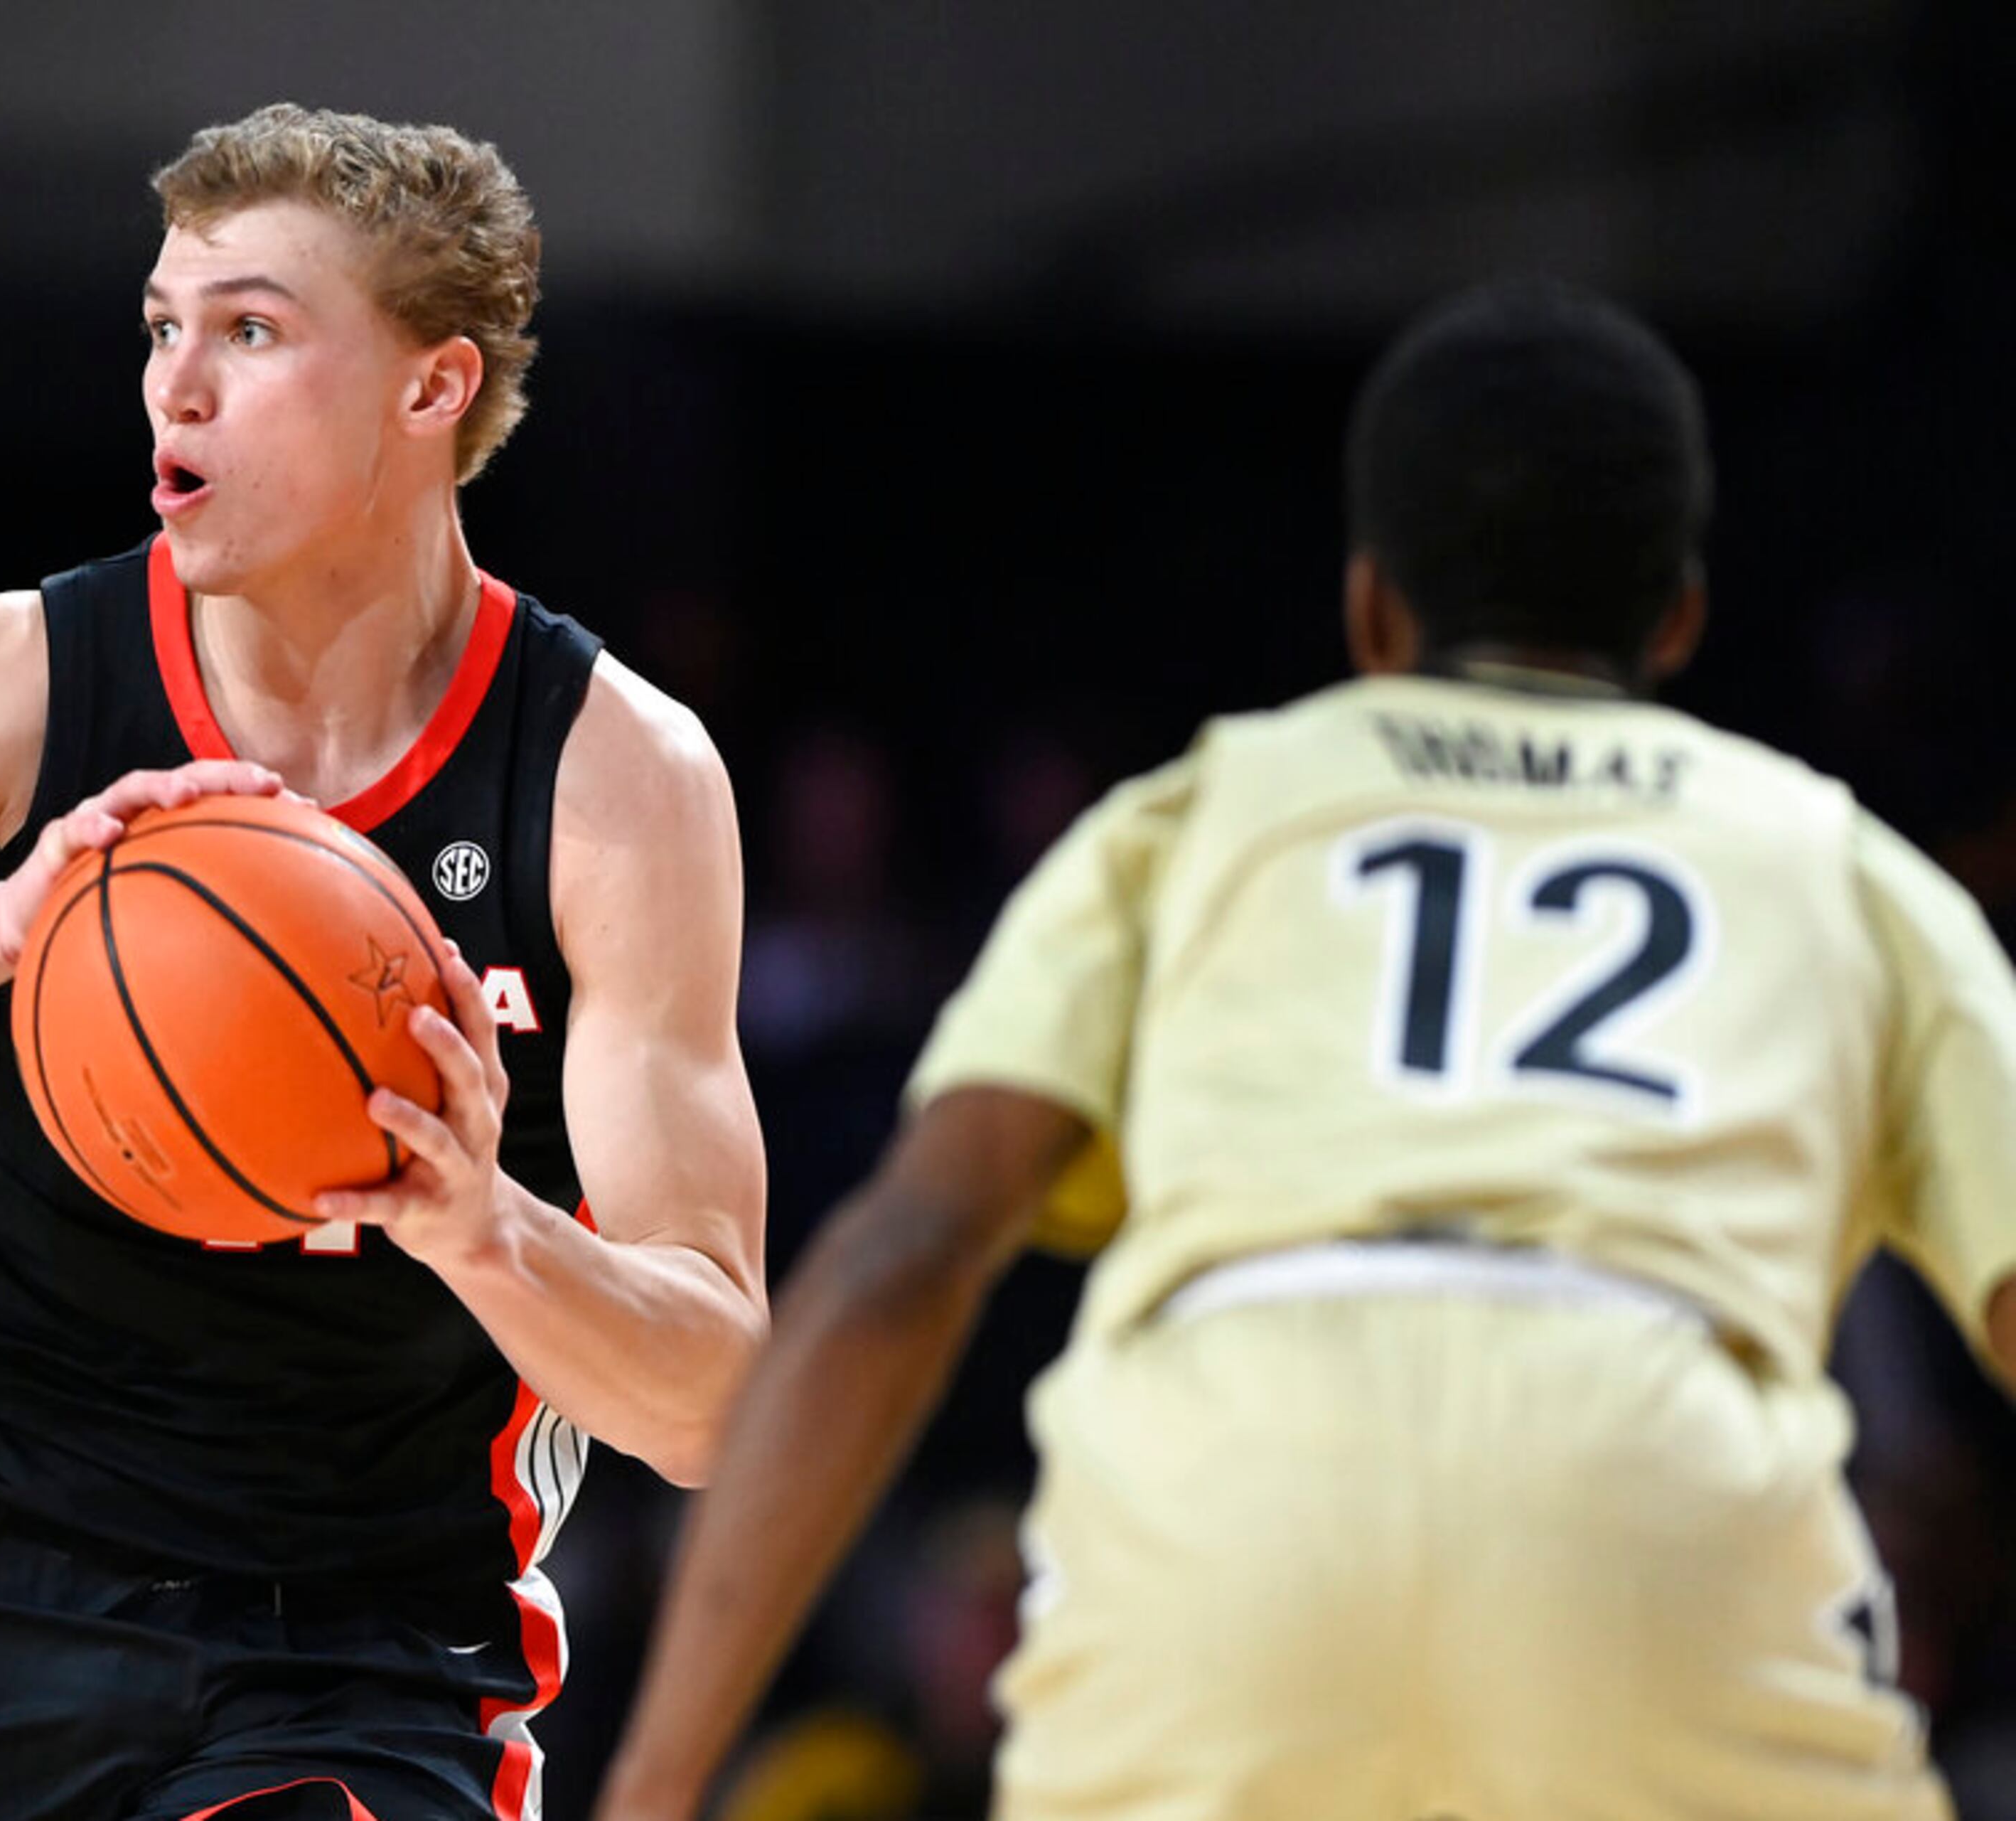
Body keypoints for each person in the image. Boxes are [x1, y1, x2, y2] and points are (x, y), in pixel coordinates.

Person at [592, 277, 2016, 1821]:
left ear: (1370, 611)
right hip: (1653, 1497)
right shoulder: (1840, 865)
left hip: (1229, 1526)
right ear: (1678, 618)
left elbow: (904, 1258)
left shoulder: (1194, 818)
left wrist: (656, 1784)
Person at [0, 100, 768, 1821]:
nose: (175, 387)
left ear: (433, 388)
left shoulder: (614, 778)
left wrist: (486, 1230)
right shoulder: (14, 680)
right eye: (162, 329)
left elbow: (720, 1402)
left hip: (375, 1630)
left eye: (252, 332)